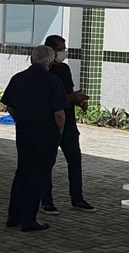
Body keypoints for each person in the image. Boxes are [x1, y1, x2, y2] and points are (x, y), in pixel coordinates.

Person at [2, 45, 68, 232]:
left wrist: (21, 119)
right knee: (39, 175)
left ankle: (14, 216)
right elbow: (59, 114)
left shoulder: (18, 78)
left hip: (24, 131)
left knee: (22, 172)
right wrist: (59, 133)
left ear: (32, 59)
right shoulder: (53, 81)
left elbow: (10, 106)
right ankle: (29, 219)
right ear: (50, 61)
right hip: (46, 133)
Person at [40, 35, 96, 214]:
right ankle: (46, 200)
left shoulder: (64, 69)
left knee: (75, 161)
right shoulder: (43, 72)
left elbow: (67, 95)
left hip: (68, 123)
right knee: (47, 163)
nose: (63, 53)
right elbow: (50, 99)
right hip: (50, 124)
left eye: (64, 49)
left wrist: (78, 101)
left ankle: (77, 198)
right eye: (60, 49)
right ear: (50, 51)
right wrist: (72, 98)